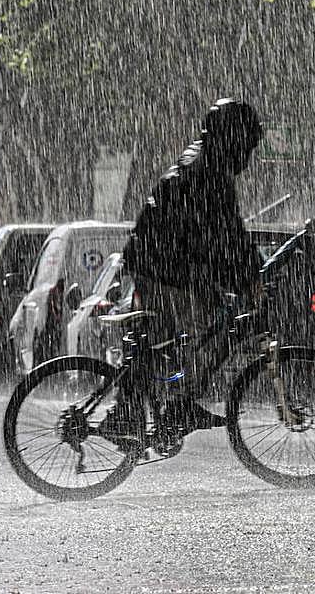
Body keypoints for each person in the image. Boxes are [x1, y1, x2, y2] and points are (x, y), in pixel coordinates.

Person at [106, 98, 264, 439]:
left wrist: (234, 270)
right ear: (232, 139)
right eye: (247, 146)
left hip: (158, 262)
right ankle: (178, 405)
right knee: (216, 328)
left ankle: (131, 414)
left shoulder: (202, 161)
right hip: (165, 267)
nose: (248, 157)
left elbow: (214, 234)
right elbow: (227, 233)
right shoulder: (207, 171)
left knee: (156, 344)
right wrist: (250, 274)